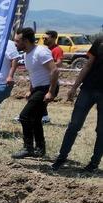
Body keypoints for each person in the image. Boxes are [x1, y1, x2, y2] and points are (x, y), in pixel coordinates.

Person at [52, 36, 102, 171]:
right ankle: (61, 158)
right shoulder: (99, 41)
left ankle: (93, 164)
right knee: (74, 125)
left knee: (101, 130)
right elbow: (88, 64)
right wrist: (74, 87)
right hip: (88, 89)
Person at [12, 27, 59, 159]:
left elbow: (54, 71)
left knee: (24, 116)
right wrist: (30, 89)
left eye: (17, 41)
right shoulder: (27, 54)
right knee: (35, 119)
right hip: (38, 88)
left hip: (46, 88)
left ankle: (28, 148)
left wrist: (51, 91)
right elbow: (34, 74)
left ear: (25, 41)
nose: (15, 44)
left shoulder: (41, 52)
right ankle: (40, 149)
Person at [42, 30, 63, 124]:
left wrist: (47, 65)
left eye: (46, 38)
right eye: (43, 38)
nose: (44, 40)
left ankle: (44, 118)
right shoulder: (46, 49)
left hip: (51, 81)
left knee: (41, 101)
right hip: (44, 79)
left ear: (54, 38)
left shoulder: (57, 50)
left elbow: (59, 63)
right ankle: (44, 118)